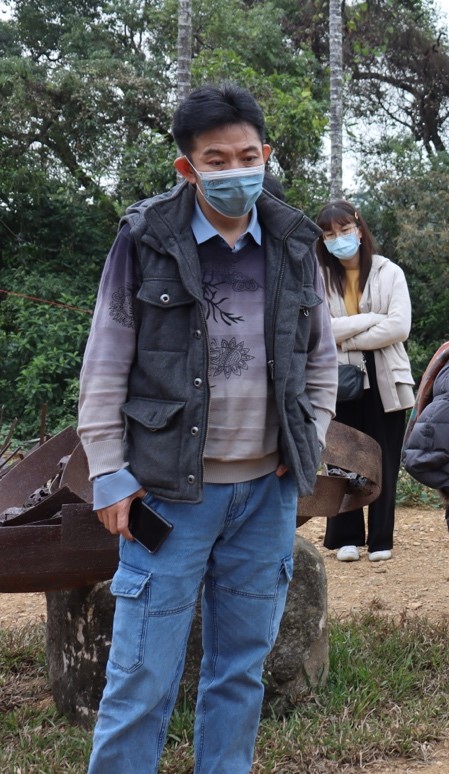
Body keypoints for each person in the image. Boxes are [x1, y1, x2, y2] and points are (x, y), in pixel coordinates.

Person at [76, 83, 336, 773]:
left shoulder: (292, 240)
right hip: (168, 493)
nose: (234, 171)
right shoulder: (146, 239)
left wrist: (303, 443)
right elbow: (105, 362)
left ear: (266, 155)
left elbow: (321, 363)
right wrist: (109, 470)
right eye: (215, 159)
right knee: (141, 677)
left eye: (247, 155)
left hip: (265, 496)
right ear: (187, 168)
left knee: (239, 673)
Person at [315, 200, 415, 563]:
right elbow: (320, 328)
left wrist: (348, 336)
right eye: (329, 234)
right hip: (338, 377)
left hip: (385, 376)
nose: (338, 239)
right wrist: (371, 318)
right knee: (341, 454)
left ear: (358, 227)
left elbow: (399, 326)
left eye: (343, 230)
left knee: (383, 455)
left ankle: (381, 538)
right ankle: (346, 536)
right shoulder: (319, 276)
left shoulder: (390, 272)